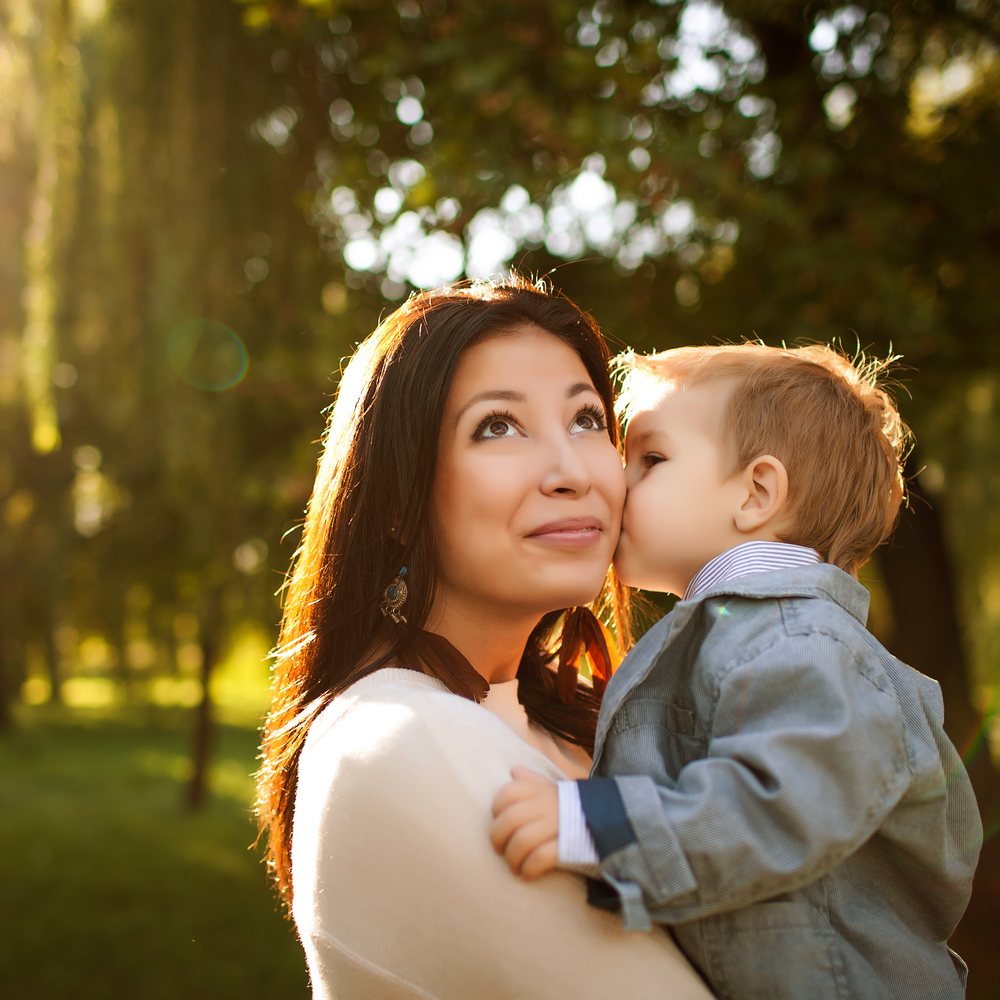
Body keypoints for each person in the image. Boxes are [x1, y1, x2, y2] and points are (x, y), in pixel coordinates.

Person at [256, 278, 713, 1000]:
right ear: (398, 501)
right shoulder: (401, 738)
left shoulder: (582, 722)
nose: (571, 471)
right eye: (497, 426)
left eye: (588, 419)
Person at [492, 343, 982, 1000]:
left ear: (756, 493)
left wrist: (596, 825)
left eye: (651, 460)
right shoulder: (744, 633)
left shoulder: (801, 642)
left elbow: (776, 808)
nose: (615, 482)